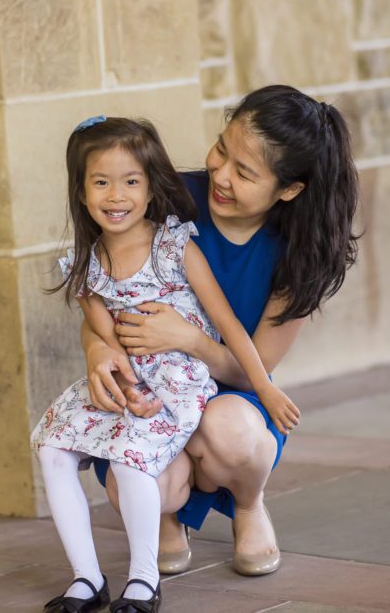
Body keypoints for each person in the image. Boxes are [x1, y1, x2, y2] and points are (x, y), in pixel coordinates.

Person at [81, 85, 359, 577]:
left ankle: (249, 504)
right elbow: (99, 296)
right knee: (140, 484)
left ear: (289, 189)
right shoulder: (167, 199)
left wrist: (188, 338)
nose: (220, 173)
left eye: (244, 172)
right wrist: (96, 351)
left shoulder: (301, 254)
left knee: (227, 430)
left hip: (233, 399)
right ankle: (169, 512)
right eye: (221, 149)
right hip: (152, 391)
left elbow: (254, 372)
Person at [32, 115, 300, 613]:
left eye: (131, 182)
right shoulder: (85, 260)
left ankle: (143, 581)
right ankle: (87, 579)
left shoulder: (175, 245)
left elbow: (229, 326)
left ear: (151, 189)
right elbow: (102, 329)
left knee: (134, 454)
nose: (117, 195)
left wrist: (265, 388)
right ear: (82, 190)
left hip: (179, 379)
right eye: (101, 182)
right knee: (52, 448)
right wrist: (110, 365)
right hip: (132, 378)